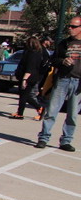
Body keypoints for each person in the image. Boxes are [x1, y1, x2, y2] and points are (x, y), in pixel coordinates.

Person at [35, 17, 81, 151]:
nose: (70, 29)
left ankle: (66, 141)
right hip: (63, 79)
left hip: (78, 82)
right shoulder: (64, 43)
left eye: (73, 26)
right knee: (52, 111)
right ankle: (43, 138)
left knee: (72, 114)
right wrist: (62, 61)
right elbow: (53, 60)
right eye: (69, 26)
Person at [9, 36, 47, 119]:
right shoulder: (38, 53)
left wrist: (24, 79)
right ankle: (39, 108)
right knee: (26, 95)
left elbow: (30, 68)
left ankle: (20, 113)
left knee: (23, 96)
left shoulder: (31, 54)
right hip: (34, 77)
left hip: (28, 77)